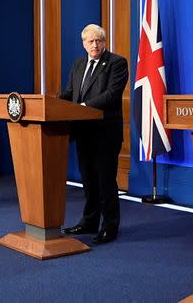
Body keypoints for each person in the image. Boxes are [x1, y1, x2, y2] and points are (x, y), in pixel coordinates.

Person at [60, 24, 128, 244]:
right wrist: (51, 104)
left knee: (106, 181)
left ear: (104, 42)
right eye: (90, 41)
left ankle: (110, 227)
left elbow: (111, 95)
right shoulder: (78, 64)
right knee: (88, 181)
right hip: (83, 132)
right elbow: (70, 92)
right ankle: (89, 221)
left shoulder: (117, 63)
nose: (95, 44)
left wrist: (82, 106)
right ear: (83, 44)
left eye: (99, 40)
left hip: (105, 133)